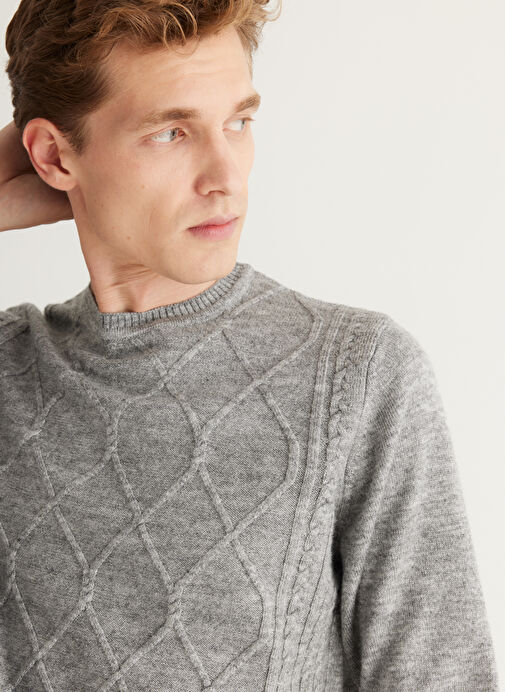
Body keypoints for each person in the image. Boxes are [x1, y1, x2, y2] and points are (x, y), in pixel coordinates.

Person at [0, 2, 499, 690]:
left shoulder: (355, 375)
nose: (225, 177)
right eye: (171, 132)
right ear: (54, 155)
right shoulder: (11, 372)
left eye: (238, 122)